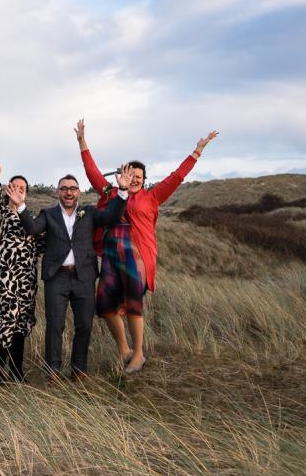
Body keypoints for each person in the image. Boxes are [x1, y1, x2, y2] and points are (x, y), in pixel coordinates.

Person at [79, 120, 220, 374]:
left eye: (139, 177)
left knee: (134, 304)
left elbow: (177, 176)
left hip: (138, 256)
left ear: (144, 180)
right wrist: (82, 142)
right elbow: (92, 172)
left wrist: (197, 150)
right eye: (130, 174)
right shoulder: (111, 193)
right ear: (123, 174)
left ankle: (139, 354)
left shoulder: (152, 196)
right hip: (111, 254)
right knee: (104, 305)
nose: (134, 179)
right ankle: (124, 350)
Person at [18, 167, 130, 379]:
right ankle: (53, 370)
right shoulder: (48, 214)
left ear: (78, 192)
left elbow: (112, 217)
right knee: (55, 325)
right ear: (57, 192)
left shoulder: (88, 212)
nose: (68, 192)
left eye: (73, 189)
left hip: (84, 277)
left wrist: (123, 190)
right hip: (56, 277)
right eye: (64, 189)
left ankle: (79, 369)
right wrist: (21, 205)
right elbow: (32, 229)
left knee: (85, 325)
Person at [0, 169, 43, 384]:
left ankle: (17, 373)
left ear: (26, 194)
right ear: (7, 190)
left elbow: (41, 243)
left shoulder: (32, 218)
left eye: (22, 188)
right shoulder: (0, 213)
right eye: (14, 187)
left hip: (27, 278)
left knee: (21, 323)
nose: (18, 191)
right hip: (5, 276)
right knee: (7, 319)